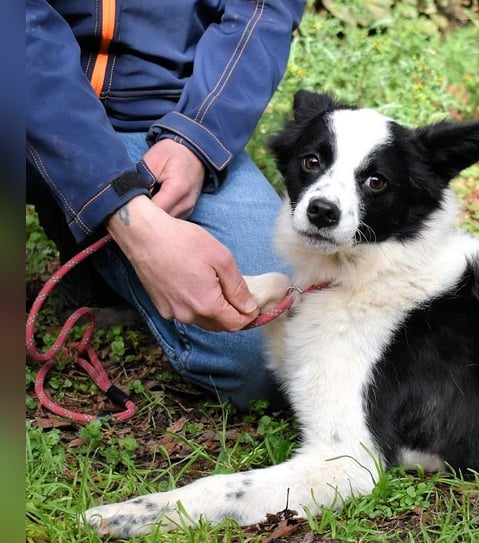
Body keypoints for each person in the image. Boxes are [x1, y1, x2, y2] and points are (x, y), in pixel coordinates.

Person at [26, 0, 307, 411]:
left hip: (155, 118)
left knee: (271, 350)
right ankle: (91, 220)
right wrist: (127, 213)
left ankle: (90, 250)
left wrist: (196, 136)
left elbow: (262, 9)